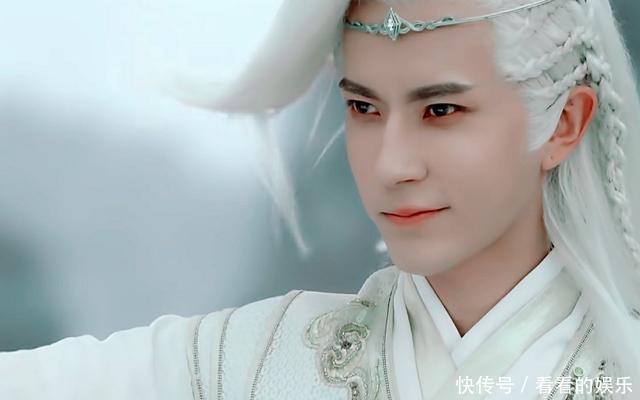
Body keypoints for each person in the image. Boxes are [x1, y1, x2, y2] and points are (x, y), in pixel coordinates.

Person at [2, 0, 640, 399]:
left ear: (564, 123)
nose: (391, 165)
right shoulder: (252, 361)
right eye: (363, 108)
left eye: (441, 110)